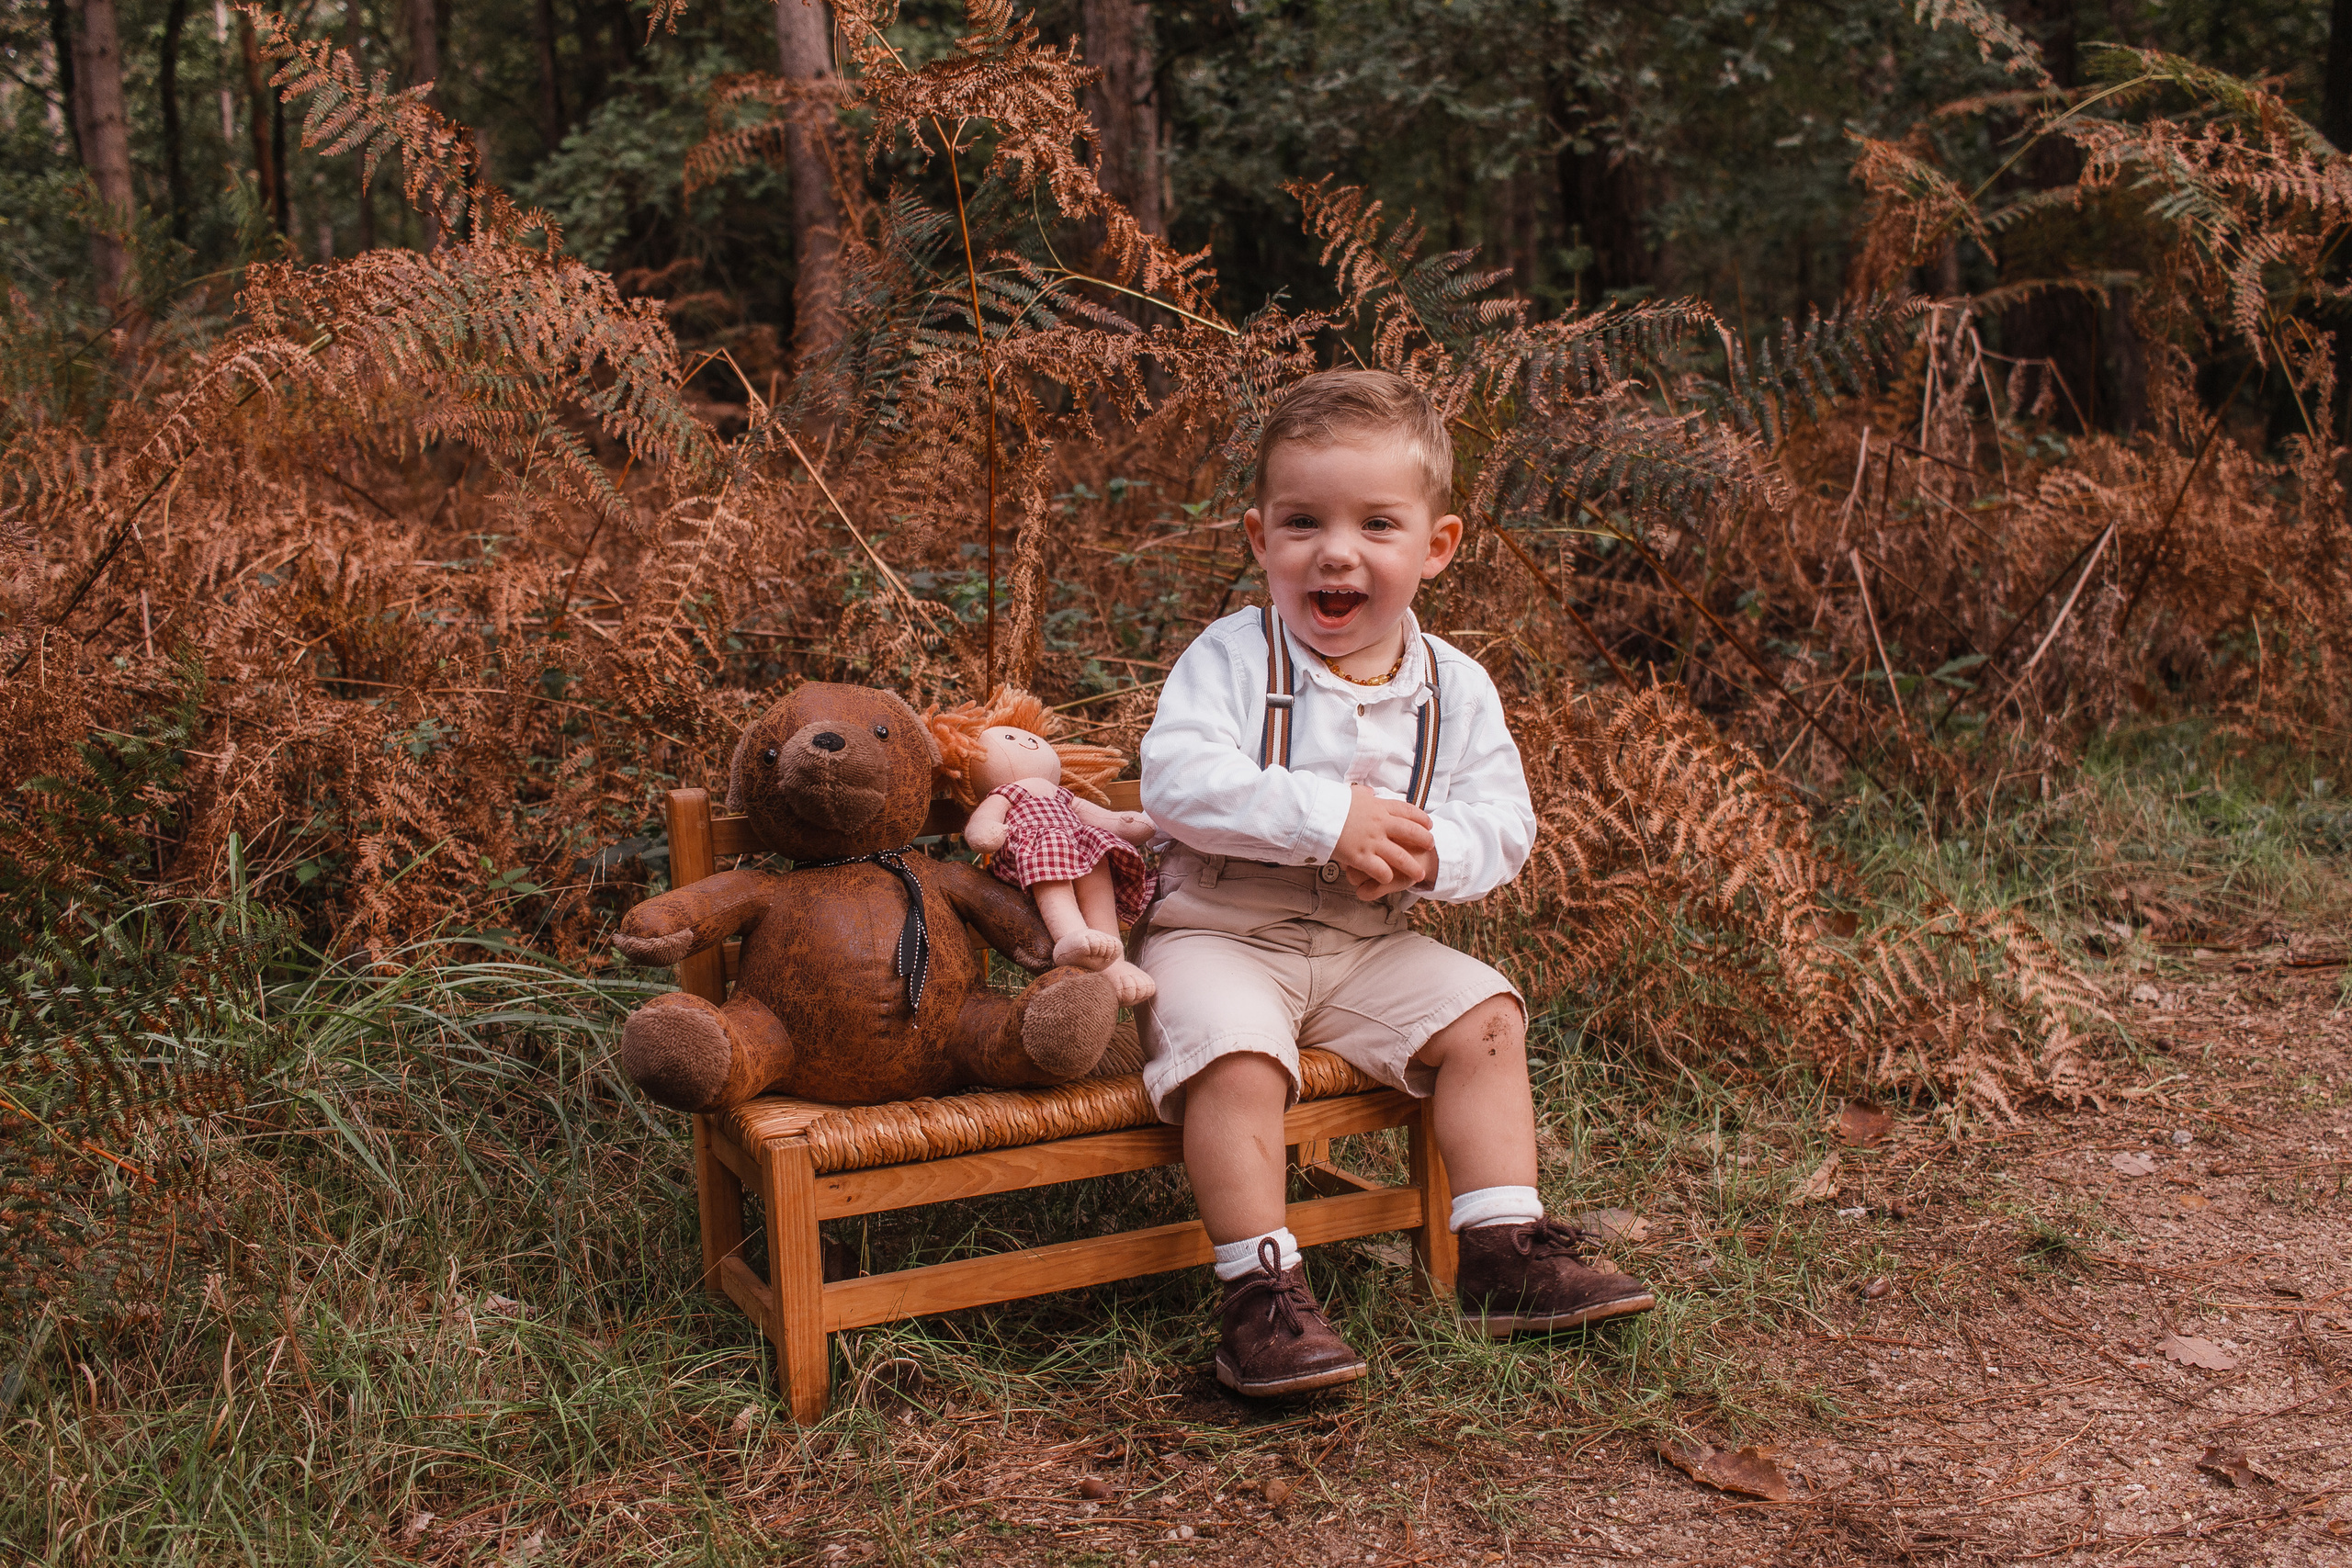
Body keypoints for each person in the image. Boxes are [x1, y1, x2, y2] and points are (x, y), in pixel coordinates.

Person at [1136, 367, 1657, 1397]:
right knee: (1236, 1056)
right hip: (1220, 933)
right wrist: (1327, 818)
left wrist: (1440, 852)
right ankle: (1261, 1291)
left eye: (1377, 524)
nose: (1337, 551)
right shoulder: (1234, 659)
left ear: (1436, 546)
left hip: (1367, 946)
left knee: (1485, 1014)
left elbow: (1506, 823)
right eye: (1302, 523)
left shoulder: (1453, 687)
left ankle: (1499, 1246)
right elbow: (1177, 782)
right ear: (1258, 539)